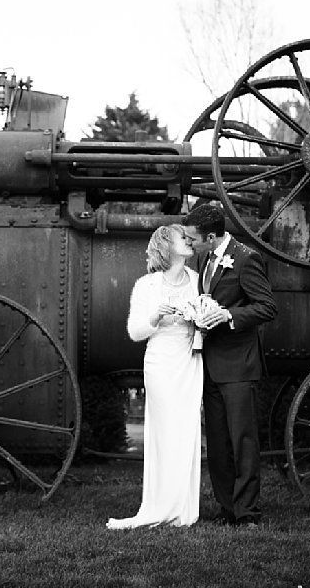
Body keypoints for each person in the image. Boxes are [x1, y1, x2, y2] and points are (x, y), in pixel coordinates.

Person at [181, 204, 276, 527]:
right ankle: (227, 508)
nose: (189, 244)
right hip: (208, 365)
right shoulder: (204, 257)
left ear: (211, 236)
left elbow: (267, 306)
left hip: (239, 366)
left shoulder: (246, 258)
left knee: (243, 441)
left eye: (193, 239)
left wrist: (229, 315)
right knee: (219, 443)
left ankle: (247, 512)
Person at [106, 224, 203, 529]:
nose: (188, 241)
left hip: (190, 361)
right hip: (161, 362)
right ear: (166, 245)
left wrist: (200, 315)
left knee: (187, 431)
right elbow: (135, 331)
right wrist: (155, 316)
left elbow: (206, 316)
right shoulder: (146, 285)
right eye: (181, 238)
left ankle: (184, 508)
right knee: (164, 433)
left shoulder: (199, 281)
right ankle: (159, 504)